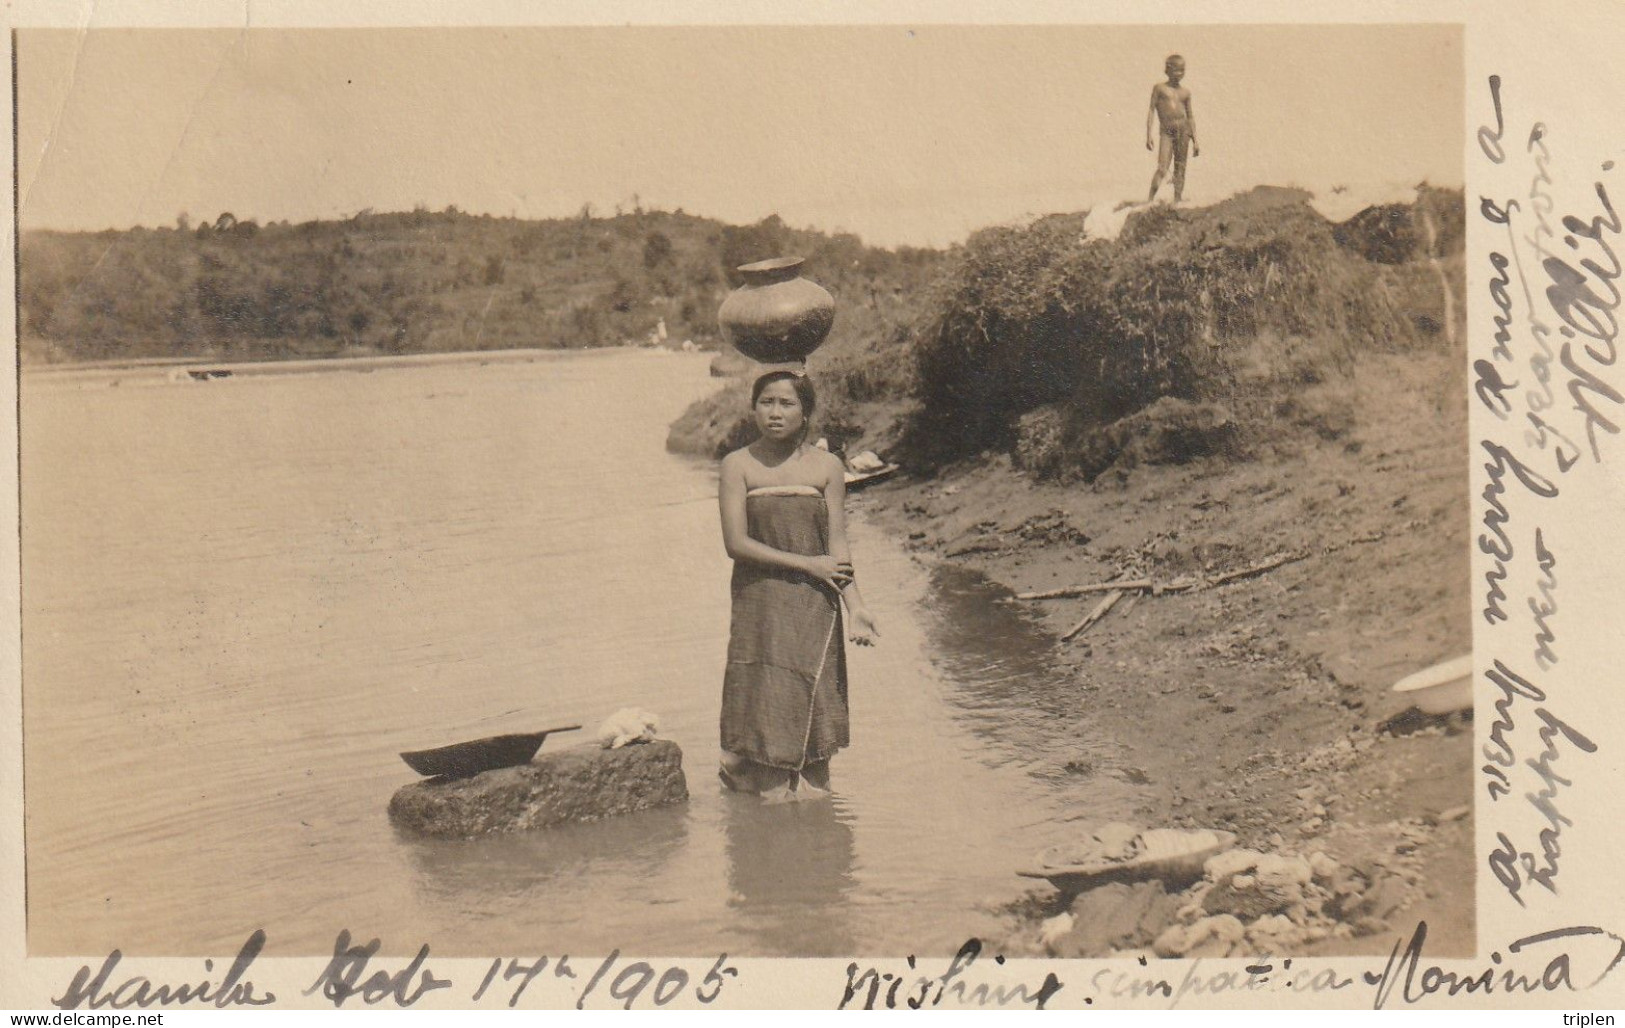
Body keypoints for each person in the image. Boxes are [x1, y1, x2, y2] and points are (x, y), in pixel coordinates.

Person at [717, 371, 879, 801]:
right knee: (765, 703)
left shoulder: (827, 467)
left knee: (817, 759)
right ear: (753, 408)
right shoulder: (738, 465)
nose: (774, 412)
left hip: (815, 605)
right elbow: (736, 544)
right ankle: (753, 784)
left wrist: (856, 606)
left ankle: (813, 819)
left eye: (786, 404)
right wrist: (807, 563)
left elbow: (837, 545)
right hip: (761, 603)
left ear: (805, 412)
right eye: (766, 402)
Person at [1146, 54, 1199, 202]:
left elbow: (1190, 116)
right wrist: (1148, 135)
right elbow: (1151, 110)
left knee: (1180, 167)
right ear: (1167, 70)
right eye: (1176, 70)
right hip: (1166, 131)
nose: (1179, 74)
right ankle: (1149, 200)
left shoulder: (1185, 93)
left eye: (1182, 70)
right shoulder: (1159, 88)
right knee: (1162, 167)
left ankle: (1177, 201)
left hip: (1184, 131)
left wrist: (1195, 140)